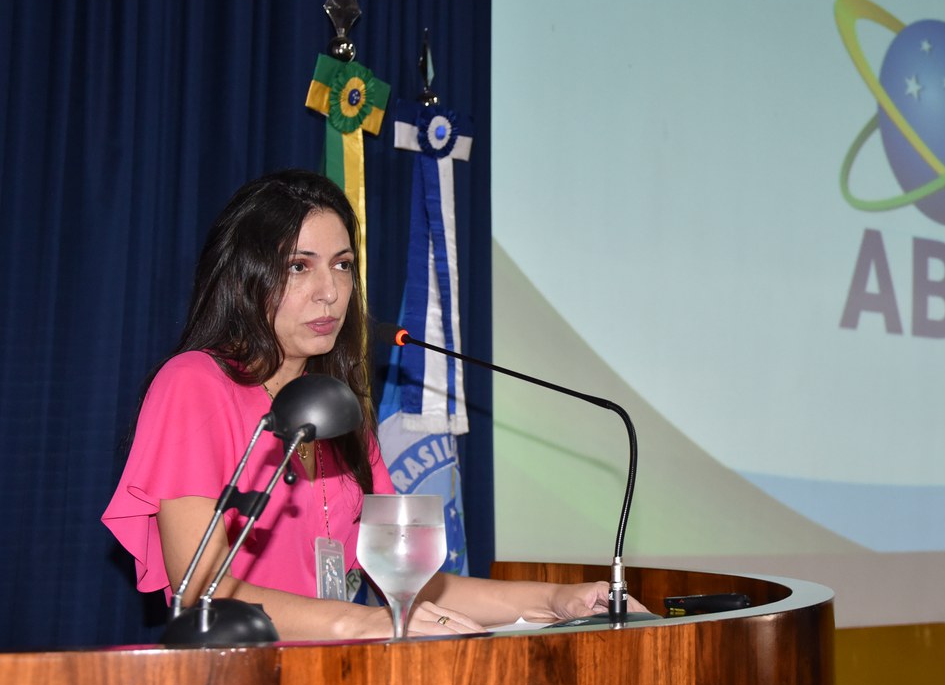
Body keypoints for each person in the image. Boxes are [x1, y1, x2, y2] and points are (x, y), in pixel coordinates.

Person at [102, 169, 632, 640]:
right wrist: (366, 622)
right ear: (246, 277)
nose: (330, 291)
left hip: (340, 684)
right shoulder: (195, 385)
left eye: (342, 265)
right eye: (298, 267)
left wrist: (556, 599)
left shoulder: (336, 409)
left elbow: (414, 588)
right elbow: (201, 586)